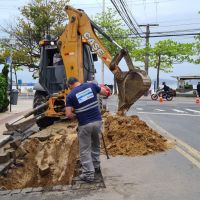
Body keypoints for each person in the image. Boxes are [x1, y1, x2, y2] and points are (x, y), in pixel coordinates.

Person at [65, 77, 110, 182]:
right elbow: (105, 93)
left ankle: (89, 174)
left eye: (69, 87)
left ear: (70, 85)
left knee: (85, 149)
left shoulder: (70, 95)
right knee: (96, 145)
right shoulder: (91, 85)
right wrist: (106, 90)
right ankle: (96, 166)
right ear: (78, 81)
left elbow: (68, 114)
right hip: (97, 122)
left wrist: (77, 116)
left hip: (85, 124)